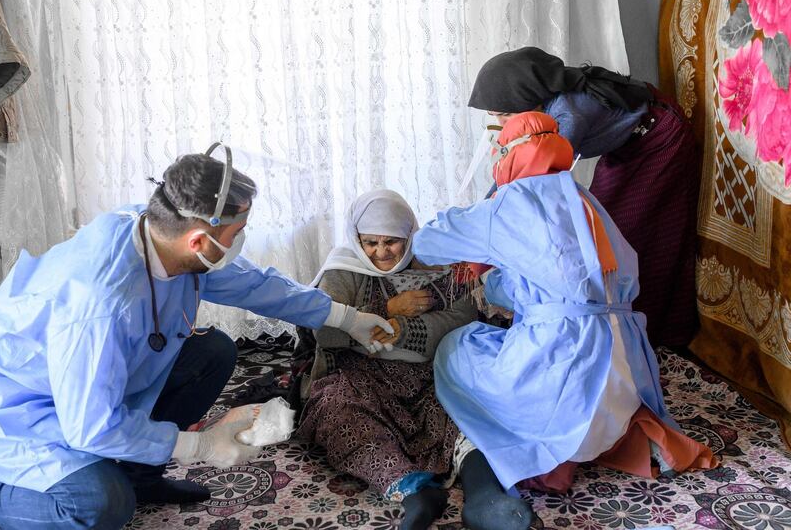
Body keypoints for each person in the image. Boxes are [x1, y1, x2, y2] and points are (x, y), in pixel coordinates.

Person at [0, 145, 392, 530]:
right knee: (99, 505)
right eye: (238, 232)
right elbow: (91, 427)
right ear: (198, 242)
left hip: (84, 379)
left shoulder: (157, 230)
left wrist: (346, 317)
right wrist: (198, 447)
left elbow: (255, 286)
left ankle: (141, 476)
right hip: (21, 408)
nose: (239, 242)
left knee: (212, 352)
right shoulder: (100, 306)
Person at [413, 112, 716, 530]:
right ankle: (624, 433)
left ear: (507, 154)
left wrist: (475, 232)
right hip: (625, 373)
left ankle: (544, 458)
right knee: (524, 342)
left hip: (568, 374)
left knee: (459, 348)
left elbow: (428, 243)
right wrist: (508, 278)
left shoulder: (510, 204)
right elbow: (569, 280)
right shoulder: (585, 201)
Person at [468, 46, 700, 348]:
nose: (501, 124)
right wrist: (478, 223)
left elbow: (525, 181)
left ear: (528, 100)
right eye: (494, 116)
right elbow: (510, 177)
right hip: (627, 146)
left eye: (506, 114)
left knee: (627, 239)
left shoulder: (566, 115)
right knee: (604, 232)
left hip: (659, 139)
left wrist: (477, 242)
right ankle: (621, 334)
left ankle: (648, 337)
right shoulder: (545, 107)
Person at [295, 189, 477, 530]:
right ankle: (413, 491)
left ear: (409, 236)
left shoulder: (432, 263)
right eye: (370, 242)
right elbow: (325, 331)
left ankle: (485, 495)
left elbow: (463, 315)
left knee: (464, 410)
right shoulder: (342, 268)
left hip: (425, 373)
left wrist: (406, 329)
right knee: (338, 410)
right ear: (356, 238)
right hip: (357, 375)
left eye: (392, 242)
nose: (381, 253)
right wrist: (385, 311)